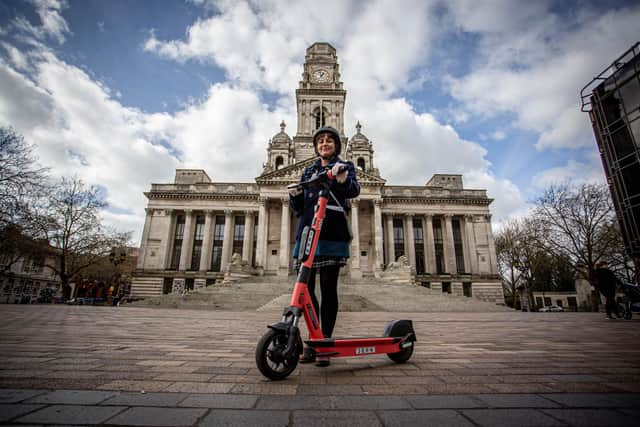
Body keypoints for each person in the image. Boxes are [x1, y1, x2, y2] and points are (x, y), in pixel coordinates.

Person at [289, 126, 360, 367]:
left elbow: (354, 190)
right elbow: (299, 209)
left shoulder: (346, 166)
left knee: (328, 289)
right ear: (316, 146)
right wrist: (296, 194)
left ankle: (325, 342)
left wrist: (342, 180)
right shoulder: (307, 170)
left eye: (329, 140)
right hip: (308, 234)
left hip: (330, 233)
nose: (325, 143)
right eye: (320, 141)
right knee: (306, 292)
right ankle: (313, 339)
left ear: (336, 145)